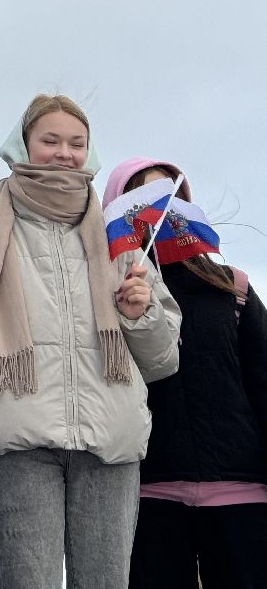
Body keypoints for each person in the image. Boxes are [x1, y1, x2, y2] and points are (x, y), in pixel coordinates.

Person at [0, 95, 180, 589]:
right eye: (50, 140)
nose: (65, 153)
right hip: (18, 440)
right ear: (23, 145)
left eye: (76, 143)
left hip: (110, 445)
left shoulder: (119, 233)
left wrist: (140, 314)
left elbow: (163, 358)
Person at [103, 158, 267, 589]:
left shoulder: (233, 287)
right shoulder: (103, 289)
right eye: (143, 197)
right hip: (148, 490)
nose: (159, 209)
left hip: (240, 487)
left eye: (169, 197)